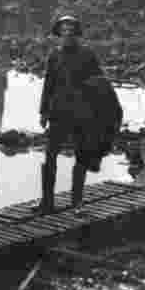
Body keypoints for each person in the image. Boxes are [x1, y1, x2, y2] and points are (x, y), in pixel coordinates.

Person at [38, 13, 104, 213]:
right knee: (49, 156)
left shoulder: (87, 55)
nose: (67, 34)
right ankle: (47, 202)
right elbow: (48, 85)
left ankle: (77, 202)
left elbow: (98, 84)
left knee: (81, 157)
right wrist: (43, 111)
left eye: (71, 31)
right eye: (63, 31)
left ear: (77, 34)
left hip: (81, 113)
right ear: (59, 34)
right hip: (57, 112)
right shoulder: (54, 55)